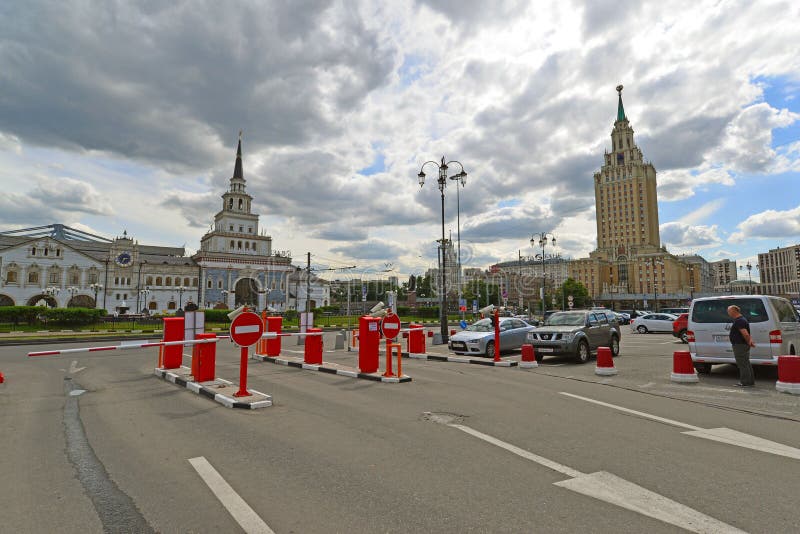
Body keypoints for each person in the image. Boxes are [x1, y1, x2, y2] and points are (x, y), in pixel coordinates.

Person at [727, 305, 755, 387]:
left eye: (729, 311)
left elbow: (745, 334)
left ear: (733, 311)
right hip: (742, 344)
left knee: (742, 364)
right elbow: (746, 334)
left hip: (740, 345)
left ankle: (745, 382)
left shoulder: (739, 321)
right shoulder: (741, 320)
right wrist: (749, 341)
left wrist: (749, 341)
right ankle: (750, 381)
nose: (728, 313)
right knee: (746, 363)